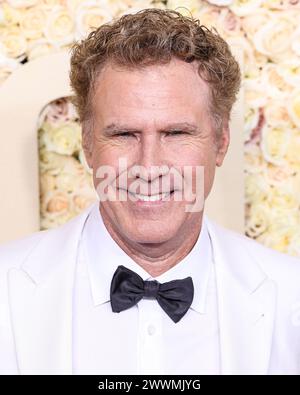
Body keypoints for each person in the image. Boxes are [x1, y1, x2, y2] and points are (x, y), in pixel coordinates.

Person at [0, 8, 299, 375]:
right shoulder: (6, 288)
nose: (150, 166)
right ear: (88, 144)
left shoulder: (291, 297)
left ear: (221, 143)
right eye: (124, 134)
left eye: (176, 134)